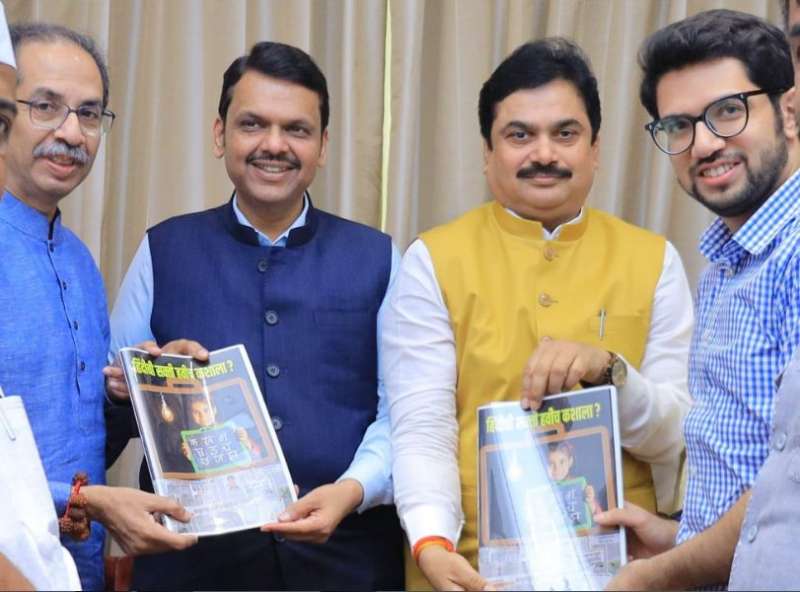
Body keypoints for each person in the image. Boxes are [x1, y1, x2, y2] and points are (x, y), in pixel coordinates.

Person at [383, 37, 694, 591]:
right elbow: (423, 427)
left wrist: (608, 372)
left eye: (565, 134)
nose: (544, 153)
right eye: (519, 135)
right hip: (471, 567)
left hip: (623, 567)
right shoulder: (433, 259)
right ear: (487, 153)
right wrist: (431, 543)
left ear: (595, 149)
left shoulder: (655, 260)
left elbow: (675, 433)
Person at [108, 41, 404, 590]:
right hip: (193, 567)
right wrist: (141, 388)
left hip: (349, 562)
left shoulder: (379, 257)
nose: (274, 145)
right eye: (253, 124)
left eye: (296, 129)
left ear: (322, 145)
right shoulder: (163, 249)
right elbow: (111, 410)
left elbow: (404, 412)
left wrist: (353, 489)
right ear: (220, 135)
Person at [594, 9, 800, 590]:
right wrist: (675, 537)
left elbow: (786, 499)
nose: (704, 144)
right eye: (679, 125)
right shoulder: (723, 267)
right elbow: (747, 472)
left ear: (788, 111)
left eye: (729, 111)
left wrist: (658, 575)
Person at [0, 22, 197, 590]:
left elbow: (77, 437)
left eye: (88, 114)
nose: (71, 133)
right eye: (45, 106)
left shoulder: (80, 262)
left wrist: (137, 389)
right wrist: (85, 500)